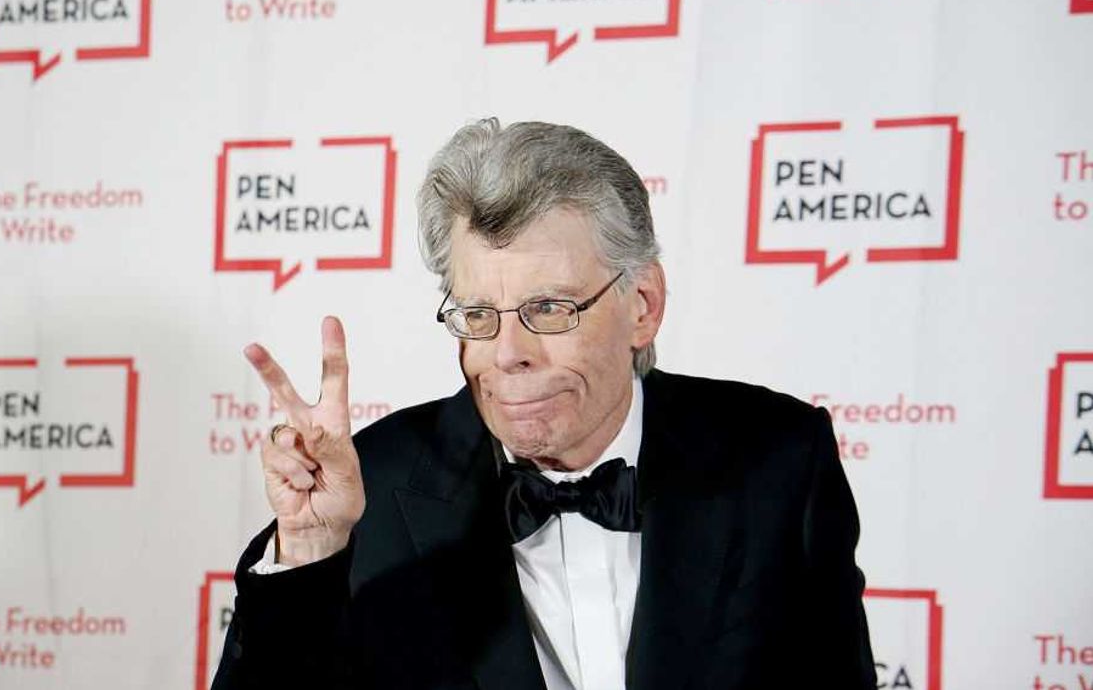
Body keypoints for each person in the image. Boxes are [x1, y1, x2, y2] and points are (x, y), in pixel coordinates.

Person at [211, 119, 876, 690]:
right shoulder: (372, 491)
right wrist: (310, 548)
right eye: (477, 313)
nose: (506, 353)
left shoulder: (778, 458)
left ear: (641, 306)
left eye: (548, 309)